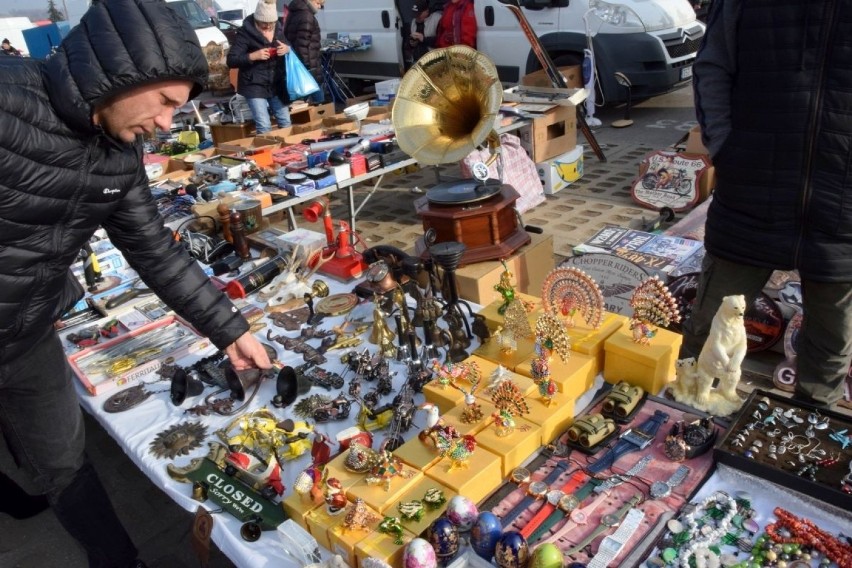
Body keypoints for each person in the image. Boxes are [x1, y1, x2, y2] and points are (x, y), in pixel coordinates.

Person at [0, 0, 272, 565]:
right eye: (168, 102)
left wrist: (230, 330)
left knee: (64, 462)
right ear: (119, 78)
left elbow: (154, 251)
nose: (170, 122)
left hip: (25, 337)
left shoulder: (121, 152)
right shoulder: (7, 102)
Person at [680, 0, 852, 408]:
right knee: (709, 330)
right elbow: (713, 65)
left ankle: (810, 438)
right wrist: (726, 148)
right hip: (751, 192)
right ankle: (685, 418)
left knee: (829, 349)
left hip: (841, 203)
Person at [227, 0, 293, 134]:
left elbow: (290, 47)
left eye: (271, 24)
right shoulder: (245, 33)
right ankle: (266, 153)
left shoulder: (278, 28)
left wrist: (287, 49)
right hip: (254, 84)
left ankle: (288, 151)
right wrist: (253, 56)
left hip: (276, 83)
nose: (268, 27)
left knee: (285, 121)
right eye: (264, 24)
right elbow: (231, 60)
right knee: (264, 125)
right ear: (257, 20)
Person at [285, 0, 325, 104]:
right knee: (317, 96)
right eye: (319, 3)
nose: (320, 7)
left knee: (301, 96)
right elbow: (302, 43)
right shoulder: (307, 16)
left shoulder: (294, 12)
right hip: (309, 62)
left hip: (298, 59)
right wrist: (307, 64)